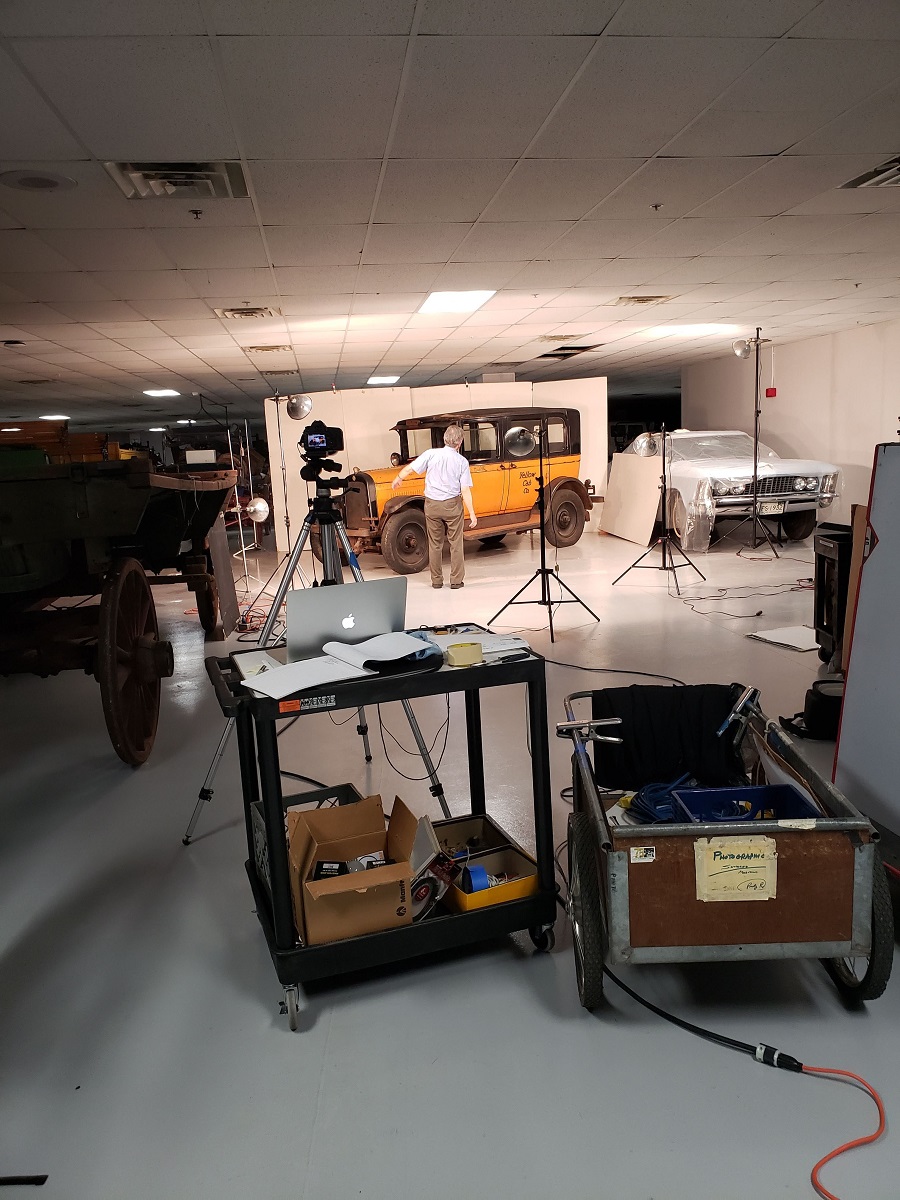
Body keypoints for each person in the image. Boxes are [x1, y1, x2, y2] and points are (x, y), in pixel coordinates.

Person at [391, 424, 477, 589]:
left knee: (435, 543)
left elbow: (410, 468)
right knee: (455, 543)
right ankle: (456, 581)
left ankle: (436, 581)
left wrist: (398, 477)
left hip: (431, 505)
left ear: (444, 439)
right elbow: (465, 489)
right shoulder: (462, 462)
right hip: (452, 505)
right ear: (460, 443)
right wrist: (472, 513)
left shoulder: (431, 454)